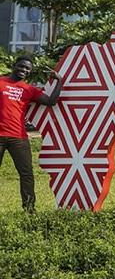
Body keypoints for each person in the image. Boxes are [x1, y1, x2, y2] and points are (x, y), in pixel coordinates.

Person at [0, 57, 64, 212]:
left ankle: (29, 208)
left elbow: (51, 102)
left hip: (19, 137)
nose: (24, 70)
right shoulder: (1, 82)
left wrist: (59, 82)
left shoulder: (28, 89)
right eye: (21, 66)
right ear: (14, 65)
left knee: (26, 173)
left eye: (27, 68)